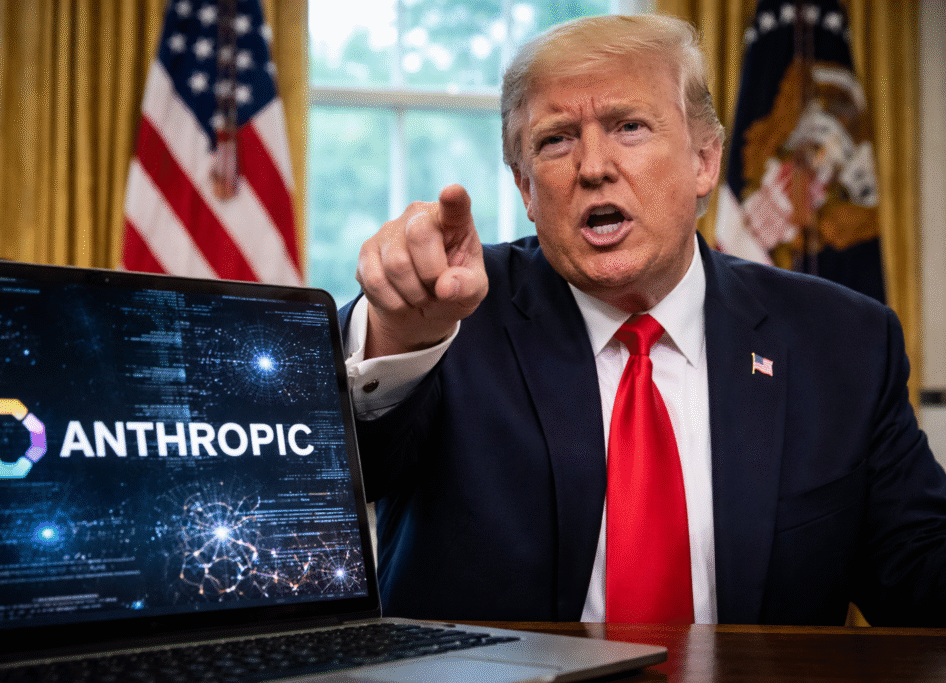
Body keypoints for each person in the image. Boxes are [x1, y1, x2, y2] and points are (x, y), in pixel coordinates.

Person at [338, 14, 946, 625]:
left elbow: (918, 568)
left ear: (704, 161)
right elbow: (334, 476)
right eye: (556, 140)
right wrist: (401, 336)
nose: (594, 166)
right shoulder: (452, 312)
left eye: (629, 127)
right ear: (525, 187)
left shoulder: (842, 342)